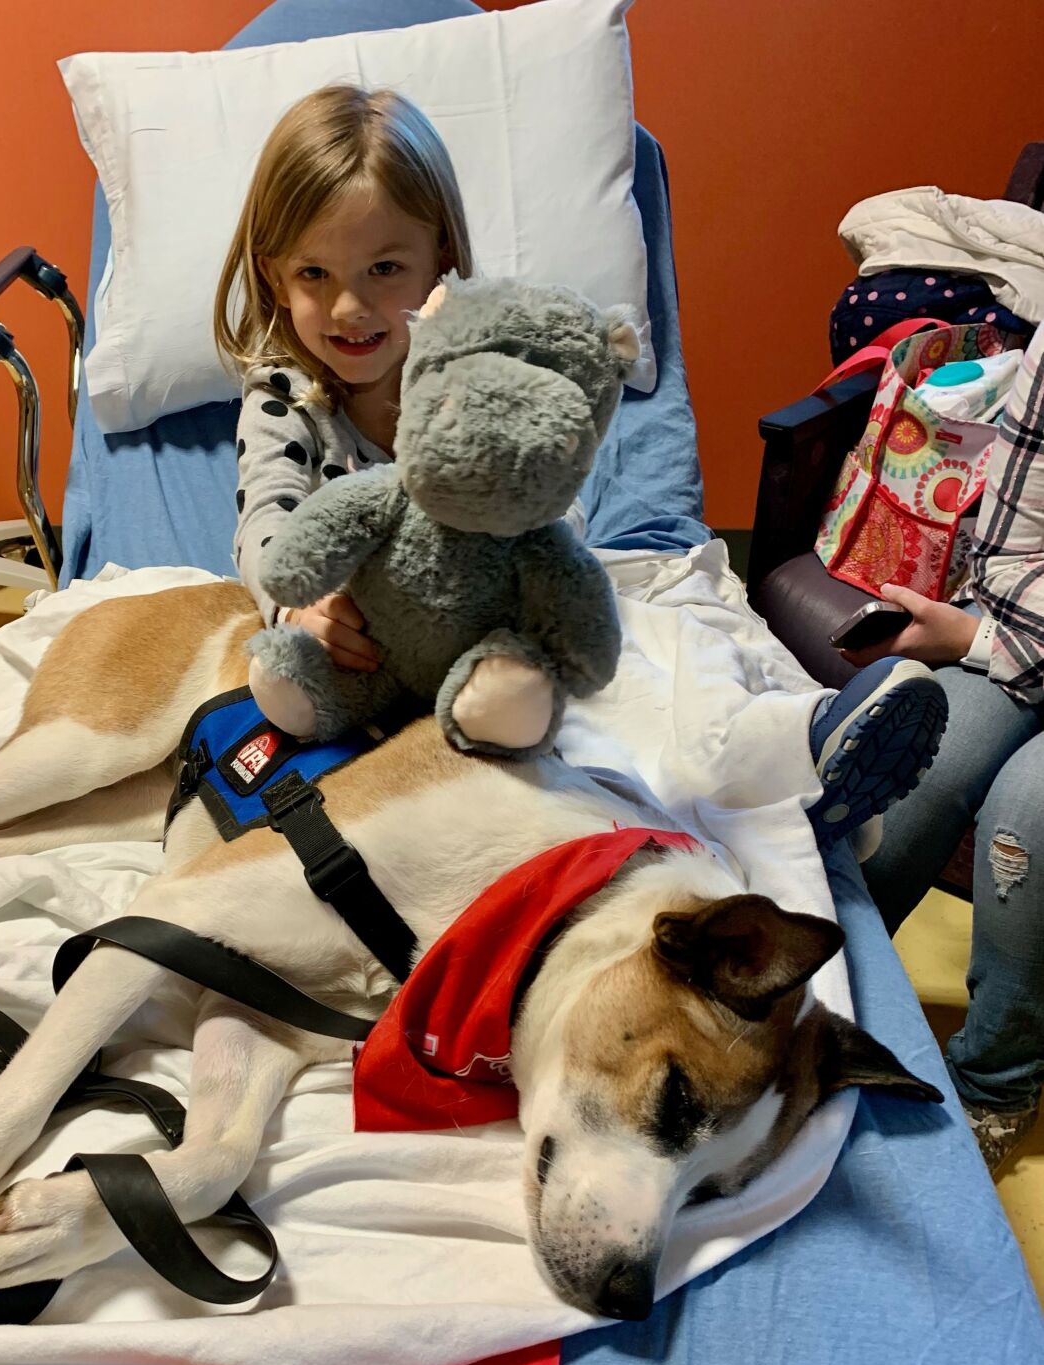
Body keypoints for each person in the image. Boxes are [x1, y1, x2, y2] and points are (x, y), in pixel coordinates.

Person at [213, 83, 946, 851]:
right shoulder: (285, 396)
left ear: (442, 261)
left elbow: (552, 502)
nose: (348, 309)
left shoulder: (481, 368)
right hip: (377, 658)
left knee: (659, 671)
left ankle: (798, 748)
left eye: (384, 268)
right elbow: (266, 521)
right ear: (272, 276)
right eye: (313, 276)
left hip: (501, 641)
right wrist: (299, 608)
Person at [841, 321, 1044, 1173]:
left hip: (1008, 641)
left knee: (1025, 822)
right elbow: (1014, 537)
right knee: (905, 770)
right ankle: (831, 1010)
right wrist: (968, 634)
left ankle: (994, 1084)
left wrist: (974, 641)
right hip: (1017, 629)